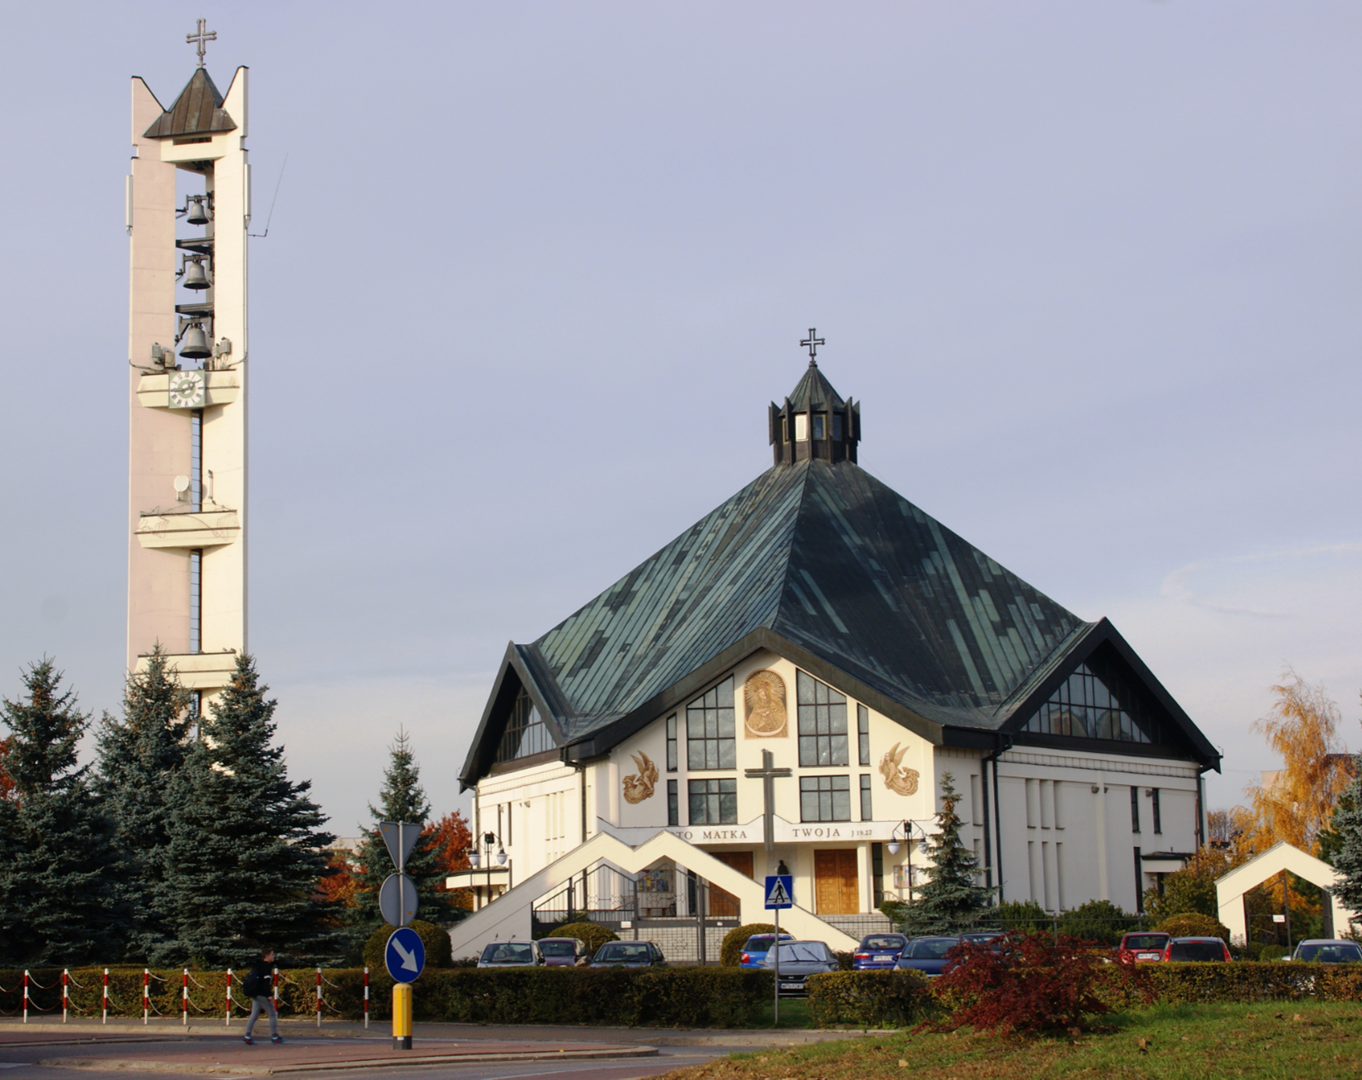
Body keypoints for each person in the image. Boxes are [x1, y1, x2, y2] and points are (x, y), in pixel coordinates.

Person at [242, 948, 283, 1045]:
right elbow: (265, 983)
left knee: (254, 1014)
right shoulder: (267, 967)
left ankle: (247, 1035)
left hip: (255, 993)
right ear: (267, 956)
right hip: (261, 994)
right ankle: (274, 1036)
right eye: (272, 954)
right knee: (272, 1014)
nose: (274, 956)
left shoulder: (258, 965)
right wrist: (269, 995)